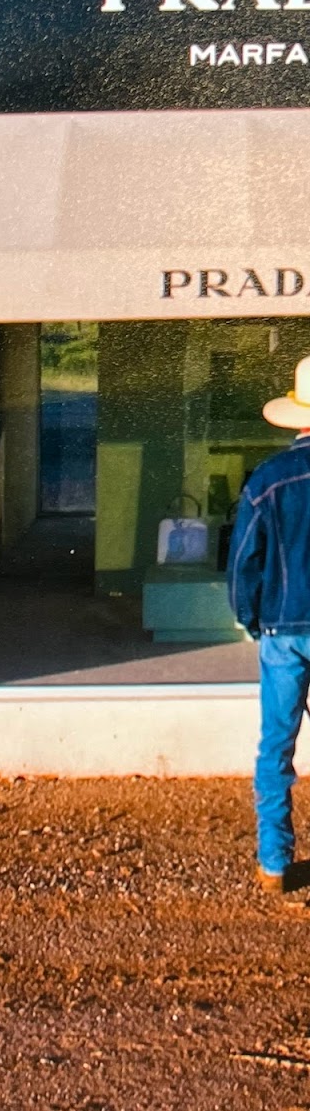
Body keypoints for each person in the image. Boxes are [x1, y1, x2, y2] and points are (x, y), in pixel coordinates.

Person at [228, 354, 310, 894]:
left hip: (284, 629)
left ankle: (275, 863)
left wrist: (252, 620)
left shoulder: (269, 479)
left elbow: (242, 566)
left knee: (275, 747)